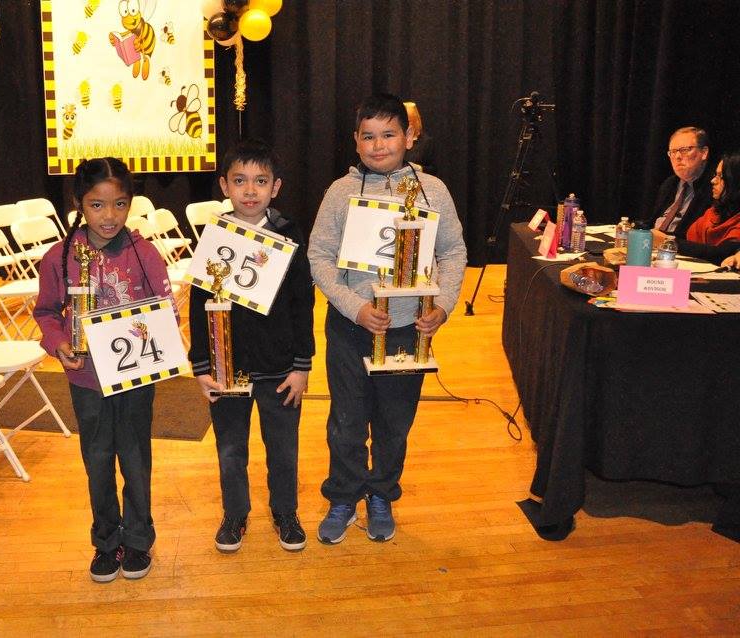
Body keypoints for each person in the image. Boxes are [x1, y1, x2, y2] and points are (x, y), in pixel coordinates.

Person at [307, 93, 466, 544]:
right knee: (346, 421)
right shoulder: (340, 193)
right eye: (369, 137)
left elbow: (453, 251)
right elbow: (319, 255)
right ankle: (343, 495)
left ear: (409, 136)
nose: (379, 146)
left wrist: (444, 306)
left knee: (395, 420)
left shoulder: (432, 190)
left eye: (389, 134)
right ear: (355, 142)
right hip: (351, 326)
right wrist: (352, 306)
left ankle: (381, 494)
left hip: (407, 329)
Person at [33, 157, 172, 583]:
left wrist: (158, 336)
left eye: (119, 204)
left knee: (134, 457)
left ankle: (138, 539)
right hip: (86, 379)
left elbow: (166, 313)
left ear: (131, 204)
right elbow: (45, 312)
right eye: (97, 205)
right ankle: (106, 541)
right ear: (78, 202)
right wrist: (59, 344)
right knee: (97, 461)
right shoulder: (59, 257)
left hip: (134, 380)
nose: (109, 216)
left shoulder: (144, 252)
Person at [188, 138, 315, 553]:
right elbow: (197, 303)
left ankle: (285, 512)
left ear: (275, 187)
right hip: (228, 368)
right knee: (230, 450)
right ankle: (235, 515)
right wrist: (202, 364)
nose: (249, 190)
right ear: (224, 185)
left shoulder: (289, 233)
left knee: (283, 449)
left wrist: (302, 364)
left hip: (280, 368)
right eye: (239, 181)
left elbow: (302, 301)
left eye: (260, 181)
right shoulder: (215, 235)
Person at [650, 126, 714, 241]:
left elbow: (700, 238)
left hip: (680, 249)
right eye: (673, 152)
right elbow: (652, 221)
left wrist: (667, 240)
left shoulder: (713, 187)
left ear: (704, 153)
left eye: (685, 150)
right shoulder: (670, 184)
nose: (678, 157)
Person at [677, 152, 740, 263]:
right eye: (715, 175)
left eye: (720, 176)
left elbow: (719, 254)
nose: (713, 181)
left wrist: (668, 242)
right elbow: (688, 241)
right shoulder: (713, 213)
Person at [403, 101, 437, 176]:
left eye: (409, 121)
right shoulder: (396, 139)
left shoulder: (426, 142)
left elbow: (434, 170)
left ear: (415, 120)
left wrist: (418, 168)